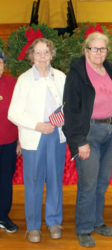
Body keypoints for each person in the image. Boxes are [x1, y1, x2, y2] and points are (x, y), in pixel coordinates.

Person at [62, 32, 112, 248]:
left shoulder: (109, 68)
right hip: (88, 132)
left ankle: (97, 221)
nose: (99, 53)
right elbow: (70, 110)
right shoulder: (77, 73)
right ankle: (83, 227)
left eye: (103, 49)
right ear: (86, 50)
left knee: (102, 181)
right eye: (95, 48)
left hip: (111, 130)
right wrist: (79, 141)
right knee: (88, 183)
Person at [8, 38, 66, 242]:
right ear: (32, 55)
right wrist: (37, 125)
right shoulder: (24, 80)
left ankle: (53, 221)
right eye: (38, 53)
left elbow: (69, 105)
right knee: (33, 182)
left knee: (55, 180)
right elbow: (13, 113)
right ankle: (33, 226)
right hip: (34, 136)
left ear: (52, 55)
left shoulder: (60, 77)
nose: (42, 56)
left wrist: (63, 119)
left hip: (57, 136)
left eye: (46, 52)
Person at [0, 49, 20, 233]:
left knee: (5, 180)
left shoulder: (12, 83)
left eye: (0, 62)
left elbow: (21, 112)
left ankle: (3, 216)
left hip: (8, 142)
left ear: (4, 65)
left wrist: (20, 140)